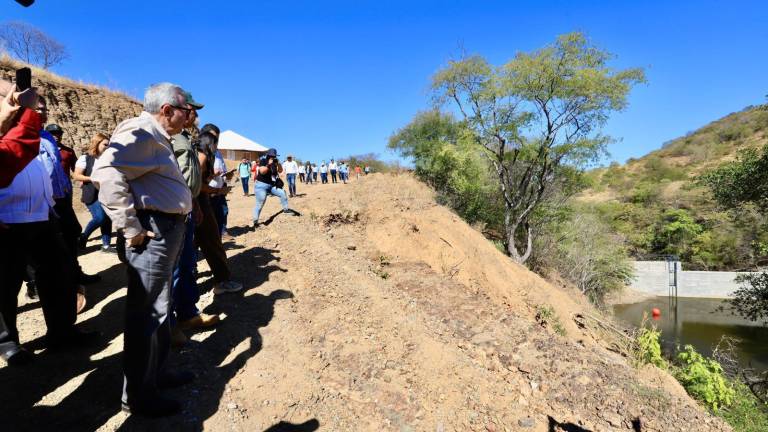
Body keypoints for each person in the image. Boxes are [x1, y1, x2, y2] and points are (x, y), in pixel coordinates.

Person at [91, 82, 194, 417]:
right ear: (166, 109)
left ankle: (156, 374)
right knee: (146, 315)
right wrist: (130, 227)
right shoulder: (141, 132)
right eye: (185, 109)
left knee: (160, 310)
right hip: (153, 232)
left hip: (166, 230)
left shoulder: (156, 136)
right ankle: (138, 394)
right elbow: (106, 171)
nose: (188, 115)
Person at [0, 82, 99, 367]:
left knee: (60, 274)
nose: (39, 111)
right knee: (5, 286)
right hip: (7, 220)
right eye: (34, 107)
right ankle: (8, 343)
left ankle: (62, 332)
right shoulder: (6, 131)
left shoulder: (42, 137)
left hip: (42, 217)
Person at [170, 95, 220, 347]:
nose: (194, 116)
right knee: (175, 270)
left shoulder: (185, 138)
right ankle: (168, 327)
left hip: (187, 209)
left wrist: (196, 204)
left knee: (187, 264)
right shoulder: (166, 138)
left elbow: (189, 179)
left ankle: (187, 315)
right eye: (191, 110)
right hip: (172, 213)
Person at [195, 128, 243, 295]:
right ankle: (222, 281)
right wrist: (216, 191)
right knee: (213, 243)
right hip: (200, 203)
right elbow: (196, 186)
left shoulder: (200, 156)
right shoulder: (201, 157)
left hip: (199, 203)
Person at [73, 133, 113, 253]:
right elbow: (76, 175)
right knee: (100, 217)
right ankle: (83, 237)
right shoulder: (85, 158)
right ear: (97, 143)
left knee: (107, 218)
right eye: (105, 144)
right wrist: (92, 178)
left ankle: (106, 245)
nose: (107, 147)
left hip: (106, 193)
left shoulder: (110, 159)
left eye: (109, 145)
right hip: (91, 193)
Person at [251, 148, 300, 227]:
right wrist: (269, 164)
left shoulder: (274, 162)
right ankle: (255, 222)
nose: (273, 157)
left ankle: (286, 209)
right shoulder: (263, 161)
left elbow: (280, 171)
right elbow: (262, 172)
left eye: (274, 156)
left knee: (282, 193)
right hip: (261, 186)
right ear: (268, 155)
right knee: (260, 203)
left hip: (271, 185)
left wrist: (278, 164)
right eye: (271, 156)